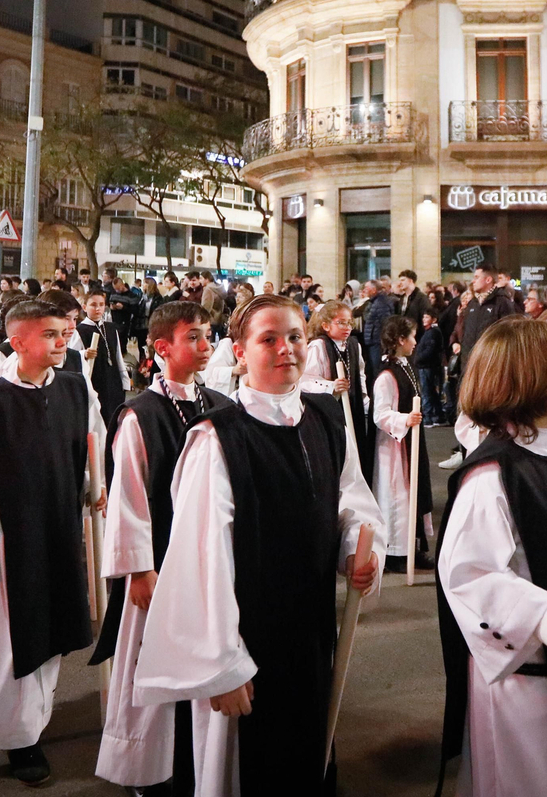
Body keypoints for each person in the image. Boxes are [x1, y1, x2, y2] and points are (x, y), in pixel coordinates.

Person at [132, 295, 383, 795]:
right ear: (241, 352)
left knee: (307, 751)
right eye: (269, 339)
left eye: (295, 337)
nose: (286, 348)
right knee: (245, 769)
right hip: (245, 638)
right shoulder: (217, 439)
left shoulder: (325, 418)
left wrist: (357, 549)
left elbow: (350, 497)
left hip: (309, 628)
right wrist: (221, 665)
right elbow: (201, 558)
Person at [435, 316, 547, 797]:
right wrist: (544, 617)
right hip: (528, 676)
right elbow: (468, 574)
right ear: (531, 381)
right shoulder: (494, 473)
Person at [0, 299, 95, 786]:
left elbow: (89, 440)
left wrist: (94, 485)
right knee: (11, 637)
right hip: (10, 535)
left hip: (60, 523)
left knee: (53, 625)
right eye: (50, 334)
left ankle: (36, 714)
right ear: (18, 342)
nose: (62, 341)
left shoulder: (75, 386)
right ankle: (15, 733)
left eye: (63, 333)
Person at [92, 300, 226, 793]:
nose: (205, 344)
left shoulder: (219, 404)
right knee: (147, 664)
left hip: (207, 558)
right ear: (162, 347)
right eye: (193, 336)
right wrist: (138, 568)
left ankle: (197, 761)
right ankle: (146, 769)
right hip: (159, 558)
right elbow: (128, 494)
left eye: (207, 334)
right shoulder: (140, 415)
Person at [371, 315, 434, 573]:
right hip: (395, 448)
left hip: (412, 440)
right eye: (411, 337)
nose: (415, 342)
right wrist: (404, 419)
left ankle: (413, 546)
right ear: (399, 340)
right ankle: (396, 552)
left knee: (414, 493)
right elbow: (380, 414)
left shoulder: (407, 366)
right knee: (397, 497)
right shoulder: (386, 377)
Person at [305, 300, 374, 484]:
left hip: (352, 406)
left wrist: (363, 398)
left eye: (349, 322)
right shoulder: (318, 346)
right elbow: (305, 380)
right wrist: (330, 386)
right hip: (328, 409)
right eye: (341, 322)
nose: (347, 327)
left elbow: (360, 373)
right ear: (326, 325)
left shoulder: (353, 345)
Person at [79, 288, 130, 437]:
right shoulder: (80, 330)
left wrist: (125, 380)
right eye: (93, 305)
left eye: (101, 305)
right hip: (95, 380)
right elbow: (72, 355)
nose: (98, 309)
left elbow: (118, 355)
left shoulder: (111, 328)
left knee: (115, 419)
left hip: (113, 380)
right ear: (84, 307)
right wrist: (84, 354)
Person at [415, 311, 447, 426]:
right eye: (423, 317)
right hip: (428, 366)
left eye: (427, 317)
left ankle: (428, 417)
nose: (424, 319)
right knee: (432, 392)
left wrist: (418, 359)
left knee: (427, 392)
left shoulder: (433, 333)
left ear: (434, 319)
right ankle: (438, 416)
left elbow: (430, 350)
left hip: (428, 366)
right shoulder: (430, 332)